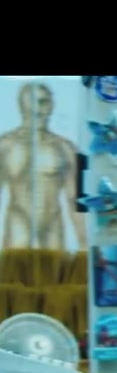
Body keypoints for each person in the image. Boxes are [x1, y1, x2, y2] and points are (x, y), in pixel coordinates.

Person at [0, 81, 86, 251]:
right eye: (33, 101)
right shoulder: (5, 146)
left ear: (51, 106)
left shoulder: (67, 148)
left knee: (52, 267)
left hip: (52, 229)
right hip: (17, 227)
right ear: (22, 105)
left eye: (45, 102)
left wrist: (84, 244)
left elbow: (75, 200)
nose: (38, 109)